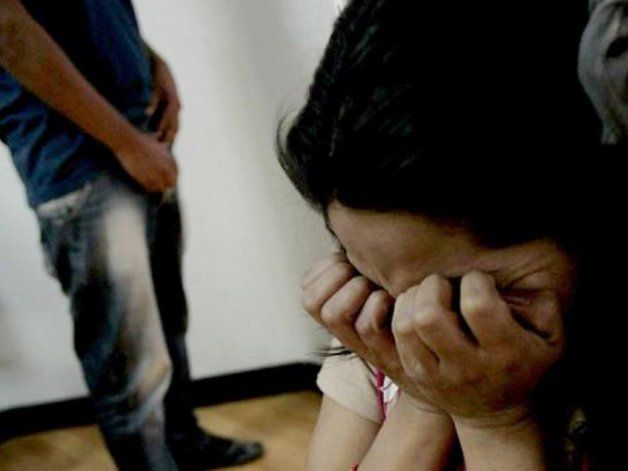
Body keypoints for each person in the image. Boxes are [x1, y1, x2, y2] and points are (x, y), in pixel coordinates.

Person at [278, 0, 619, 469]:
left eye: (464, 293)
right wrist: (423, 402)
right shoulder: (379, 335)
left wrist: (494, 423)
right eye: (371, 279)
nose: (416, 324)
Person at [0, 1, 262, 469]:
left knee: (166, 326)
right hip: (80, 161)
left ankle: (184, 442)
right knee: (129, 368)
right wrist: (125, 142)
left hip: (137, 140)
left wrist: (153, 61)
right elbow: (9, 32)